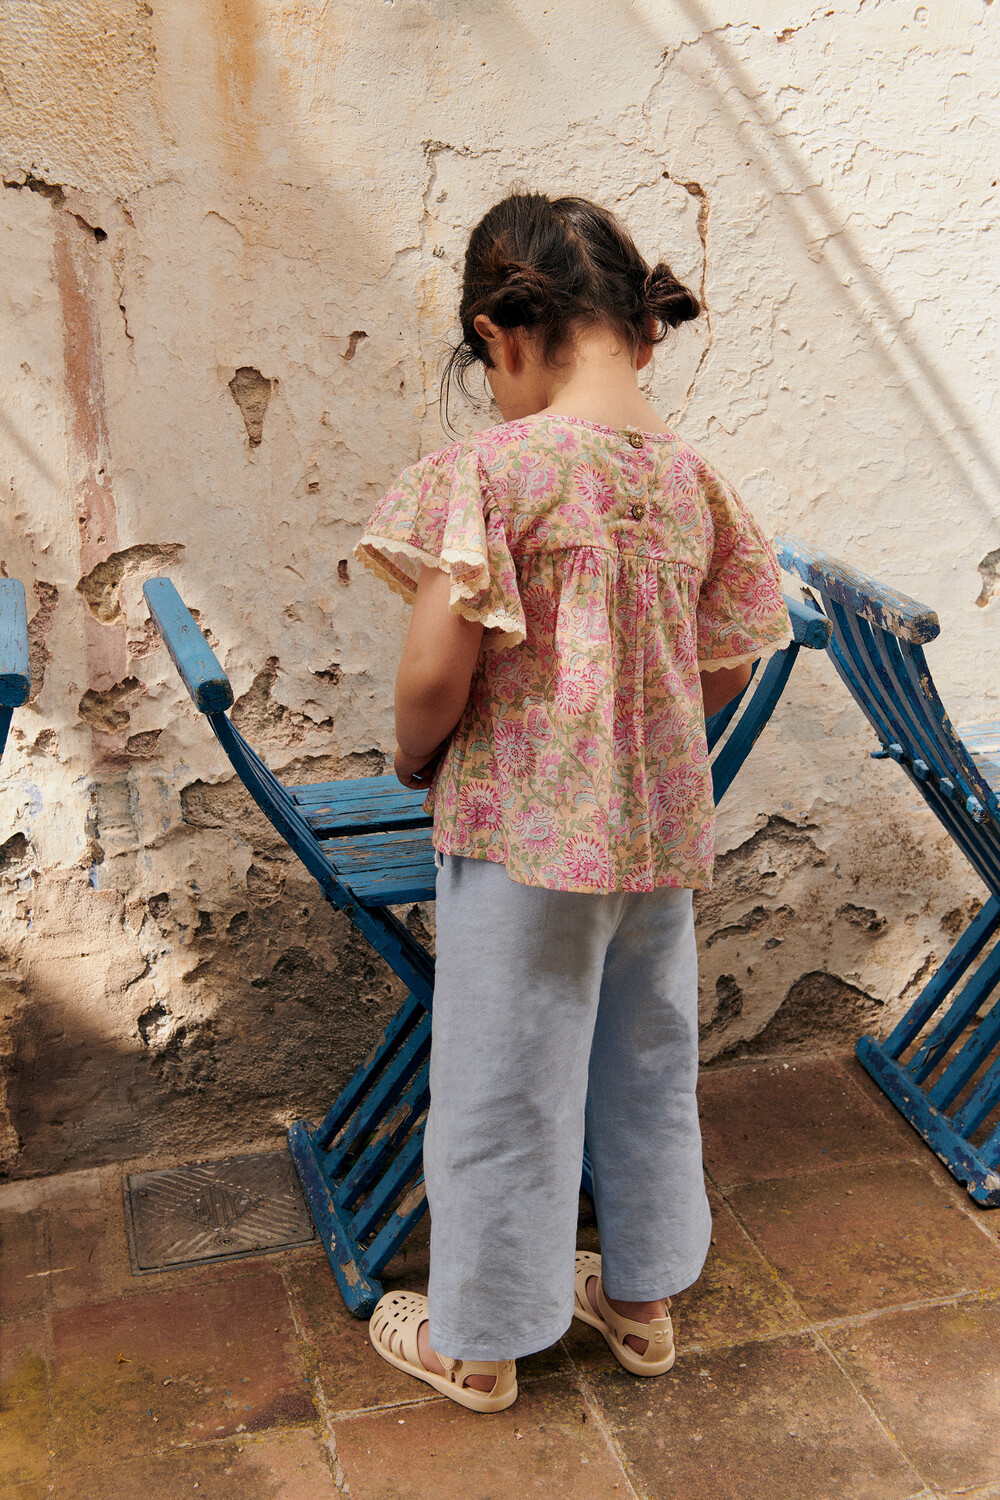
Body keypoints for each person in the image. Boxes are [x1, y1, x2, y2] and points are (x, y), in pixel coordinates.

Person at [354, 192, 792, 1413]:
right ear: (641, 332)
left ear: (499, 335)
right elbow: (725, 663)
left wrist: (415, 758)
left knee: (504, 1081)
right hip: (655, 840)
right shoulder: (695, 485)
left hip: (521, 841)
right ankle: (640, 1305)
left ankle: (479, 1345)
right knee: (645, 1061)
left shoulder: (494, 473)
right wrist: (639, 726)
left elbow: (433, 676)